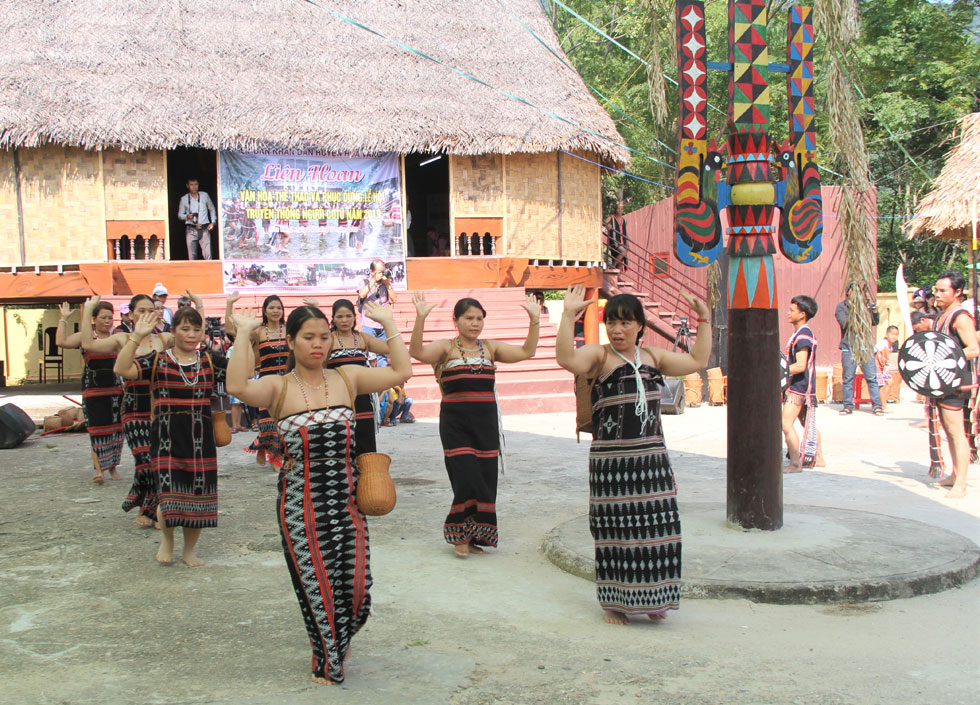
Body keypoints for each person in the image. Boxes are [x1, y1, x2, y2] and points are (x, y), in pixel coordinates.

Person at [226, 302, 411, 686]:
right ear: (290, 341)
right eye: (308, 337)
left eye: (324, 337)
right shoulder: (279, 386)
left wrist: (389, 323)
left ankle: (336, 642)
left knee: (357, 587)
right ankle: (328, 661)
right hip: (301, 504)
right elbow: (237, 386)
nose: (318, 345)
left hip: (347, 502)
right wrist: (244, 333)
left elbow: (402, 371)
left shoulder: (348, 378)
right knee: (318, 588)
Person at [556, 284, 709, 625]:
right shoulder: (599, 355)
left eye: (625, 322)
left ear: (640, 325)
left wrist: (705, 319)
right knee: (615, 532)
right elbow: (567, 359)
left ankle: (654, 598)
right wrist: (567, 316)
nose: (617, 329)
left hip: (652, 461)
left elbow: (698, 360)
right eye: (611, 322)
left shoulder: (654, 357)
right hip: (611, 464)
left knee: (659, 530)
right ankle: (615, 604)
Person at [410, 291, 540, 558]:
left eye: (480, 318)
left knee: (484, 482)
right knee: (466, 478)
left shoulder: (490, 348)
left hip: (486, 426)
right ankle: (459, 534)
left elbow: (527, 351)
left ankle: (474, 537)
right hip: (456, 426)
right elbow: (417, 352)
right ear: (455, 320)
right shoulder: (446, 348)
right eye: (469, 318)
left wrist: (535, 320)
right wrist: (420, 318)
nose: (475, 323)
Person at [114, 307, 228, 566]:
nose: (191, 334)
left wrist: (242, 334)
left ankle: (189, 550)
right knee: (168, 494)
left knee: (199, 497)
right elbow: (123, 369)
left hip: (200, 439)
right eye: (184, 329)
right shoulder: (157, 360)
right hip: (166, 438)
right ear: (173, 330)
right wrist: (136, 337)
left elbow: (241, 373)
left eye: (196, 329)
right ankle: (168, 541)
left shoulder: (210, 361)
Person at [79, 293, 183, 527]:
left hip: (161, 410)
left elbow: (195, 338)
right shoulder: (123, 339)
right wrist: (87, 313)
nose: (146, 315)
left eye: (150, 310)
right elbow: (87, 344)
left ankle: (151, 511)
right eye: (141, 311)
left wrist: (198, 307)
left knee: (160, 463)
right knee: (145, 463)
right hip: (134, 409)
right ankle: (146, 507)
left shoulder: (164, 338)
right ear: (131, 314)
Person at [56, 299, 125, 485]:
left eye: (110, 317)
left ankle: (113, 467)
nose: (108, 321)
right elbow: (61, 341)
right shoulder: (85, 337)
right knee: (96, 431)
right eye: (103, 317)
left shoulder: (117, 338)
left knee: (116, 431)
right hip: (93, 392)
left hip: (115, 392)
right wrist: (64, 319)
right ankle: (99, 470)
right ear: (93, 319)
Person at [927, 271, 979, 499]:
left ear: (957, 292)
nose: (936, 295)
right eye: (936, 290)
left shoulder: (960, 317)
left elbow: (974, 348)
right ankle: (954, 474)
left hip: (956, 382)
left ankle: (962, 483)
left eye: (942, 291)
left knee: (957, 432)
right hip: (943, 380)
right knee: (949, 430)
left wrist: (946, 359)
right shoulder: (942, 315)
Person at [225, 293, 289, 467]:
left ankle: (274, 452)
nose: (276, 311)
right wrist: (229, 303)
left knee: (286, 420)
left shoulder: (289, 329)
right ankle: (274, 457)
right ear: (265, 311)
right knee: (268, 421)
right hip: (266, 382)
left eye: (278, 307)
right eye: (271, 308)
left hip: (288, 382)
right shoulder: (258, 331)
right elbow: (232, 330)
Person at [324, 299, 389, 455]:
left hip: (363, 402)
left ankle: (366, 479)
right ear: (333, 318)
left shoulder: (363, 339)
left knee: (366, 449)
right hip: (336, 402)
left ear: (355, 317)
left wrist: (386, 322)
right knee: (339, 448)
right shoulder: (327, 341)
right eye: (339, 316)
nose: (344, 320)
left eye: (348, 316)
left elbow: (390, 347)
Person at [783, 295, 825, 471]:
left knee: (785, 423)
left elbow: (800, 365)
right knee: (806, 422)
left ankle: (795, 463)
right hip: (804, 385)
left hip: (799, 387)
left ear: (802, 314)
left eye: (792, 310)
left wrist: (780, 371)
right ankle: (819, 458)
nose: (788, 313)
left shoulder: (803, 335)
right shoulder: (800, 333)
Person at [836, 282, 882, 416]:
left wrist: (874, 312)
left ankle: (877, 406)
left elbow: (874, 322)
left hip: (865, 347)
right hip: (849, 346)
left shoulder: (865, 306)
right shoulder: (842, 307)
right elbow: (845, 323)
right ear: (848, 291)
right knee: (848, 378)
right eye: (854, 290)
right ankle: (848, 406)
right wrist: (856, 311)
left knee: (872, 378)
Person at [357, 260, 397, 367]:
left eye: (383, 271)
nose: (381, 274)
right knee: (370, 354)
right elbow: (361, 295)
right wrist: (374, 280)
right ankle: (371, 379)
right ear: (372, 271)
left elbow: (394, 299)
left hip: (383, 324)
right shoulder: (365, 282)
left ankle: (382, 379)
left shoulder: (385, 284)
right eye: (379, 272)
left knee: (382, 354)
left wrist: (388, 284)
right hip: (369, 324)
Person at [177, 178, 217, 260]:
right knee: (192, 256)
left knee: (208, 255)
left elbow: (212, 209)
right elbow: (179, 215)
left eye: (196, 184)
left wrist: (213, 222)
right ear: (187, 186)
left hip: (204, 228)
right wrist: (187, 216)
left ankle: (209, 271)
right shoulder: (184, 199)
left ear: (198, 185)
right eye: (191, 185)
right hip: (191, 229)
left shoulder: (204, 195)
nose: (194, 187)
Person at [875, 325, 900, 406]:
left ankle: (882, 402)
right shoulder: (882, 344)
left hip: (883, 367)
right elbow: (872, 354)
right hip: (876, 367)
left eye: (896, 335)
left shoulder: (891, 347)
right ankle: (883, 406)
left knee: (891, 382)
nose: (894, 336)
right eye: (892, 334)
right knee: (881, 385)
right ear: (887, 334)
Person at [602, 201, 629, 270]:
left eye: (621, 209)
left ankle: (618, 277)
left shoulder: (624, 220)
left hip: (622, 241)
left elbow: (625, 231)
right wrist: (607, 225)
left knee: (621, 260)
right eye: (618, 208)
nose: (619, 210)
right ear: (615, 209)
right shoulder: (612, 217)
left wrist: (627, 242)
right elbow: (603, 222)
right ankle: (612, 266)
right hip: (615, 241)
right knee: (623, 252)